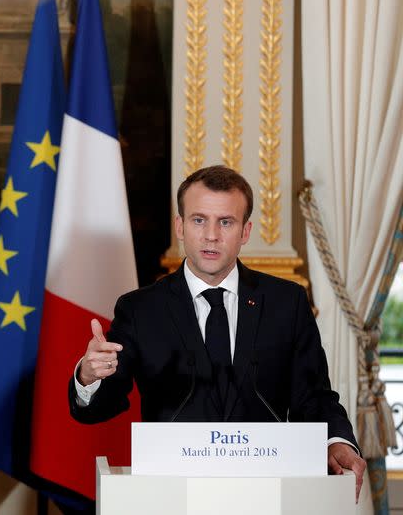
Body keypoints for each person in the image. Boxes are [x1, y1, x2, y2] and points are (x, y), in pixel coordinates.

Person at [70, 165, 366, 501]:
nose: (211, 235)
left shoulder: (287, 302)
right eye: (199, 220)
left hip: (269, 493)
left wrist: (337, 441)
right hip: (171, 495)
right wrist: (89, 376)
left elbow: (314, 397)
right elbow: (98, 409)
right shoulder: (140, 309)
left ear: (245, 231)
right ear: (180, 227)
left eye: (225, 222)